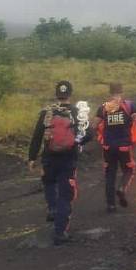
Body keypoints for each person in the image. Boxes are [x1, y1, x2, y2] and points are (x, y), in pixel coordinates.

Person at [28, 80, 92, 246]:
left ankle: (52, 208)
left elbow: (37, 136)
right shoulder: (77, 112)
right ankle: (60, 232)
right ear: (70, 94)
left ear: (57, 94)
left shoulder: (47, 112)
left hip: (49, 156)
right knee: (65, 195)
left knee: (49, 182)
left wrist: (32, 158)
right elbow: (89, 134)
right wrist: (76, 142)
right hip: (68, 158)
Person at [93, 83, 136, 212]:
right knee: (129, 170)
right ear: (121, 92)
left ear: (110, 92)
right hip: (124, 146)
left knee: (109, 174)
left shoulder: (103, 108)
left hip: (108, 147)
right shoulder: (129, 106)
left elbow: (94, 126)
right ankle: (122, 188)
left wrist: (102, 136)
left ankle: (111, 205)